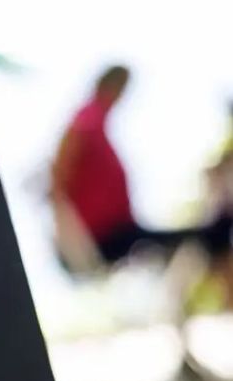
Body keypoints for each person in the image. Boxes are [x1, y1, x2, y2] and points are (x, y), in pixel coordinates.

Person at [51, 65, 233, 271]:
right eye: (120, 87)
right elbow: (61, 166)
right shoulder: (88, 117)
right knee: (203, 238)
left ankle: (217, 234)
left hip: (119, 229)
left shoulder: (97, 120)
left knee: (195, 240)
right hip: (105, 234)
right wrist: (67, 230)